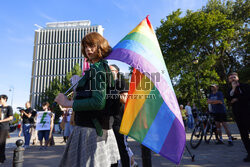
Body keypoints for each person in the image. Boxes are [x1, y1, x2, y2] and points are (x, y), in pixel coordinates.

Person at [55, 32, 120, 167]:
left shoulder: (98, 69)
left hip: (90, 130)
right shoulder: (98, 68)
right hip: (92, 128)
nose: (88, 49)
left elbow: (98, 102)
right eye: (85, 46)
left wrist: (67, 103)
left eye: (91, 45)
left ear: (100, 46)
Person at [110, 64, 137, 167]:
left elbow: (125, 99)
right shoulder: (105, 84)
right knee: (111, 149)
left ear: (116, 72)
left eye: (110, 70)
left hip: (119, 121)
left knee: (122, 148)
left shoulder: (121, 83)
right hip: (107, 122)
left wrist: (112, 92)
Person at [228, 72, 250, 162]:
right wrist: (233, 89)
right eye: (231, 78)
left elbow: (247, 96)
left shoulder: (245, 86)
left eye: (234, 77)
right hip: (238, 115)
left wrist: (237, 99)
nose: (233, 79)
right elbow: (229, 100)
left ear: (238, 78)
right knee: (244, 135)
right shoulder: (229, 89)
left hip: (248, 113)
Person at [0, 94, 13, 164]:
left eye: (0, 99)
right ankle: (2, 157)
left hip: (4, 127)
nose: (0, 101)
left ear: (5, 99)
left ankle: (1, 159)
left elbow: (11, 117)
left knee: (1, 143)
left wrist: (1, 121)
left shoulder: (9, 108)